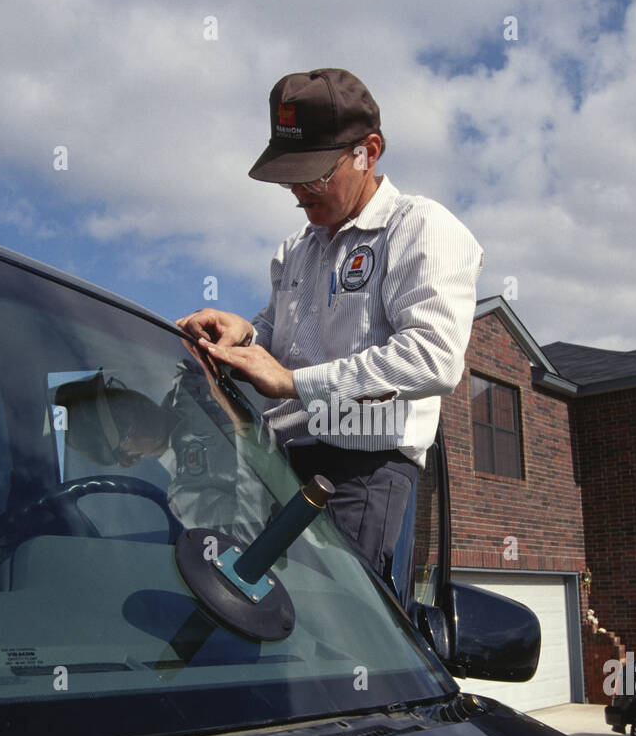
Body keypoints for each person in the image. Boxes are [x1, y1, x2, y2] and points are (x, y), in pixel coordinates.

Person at [176, 68, 483, 587]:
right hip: (276, 466)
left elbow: (433, 357)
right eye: (289, 175)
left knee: (341, 652)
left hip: (362, 475)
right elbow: (278, 341)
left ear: (370, 150)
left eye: (315, 173)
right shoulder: (297, 248)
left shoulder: (421, 228)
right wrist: (245, 337)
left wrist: (296, 385)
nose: (298, 190)